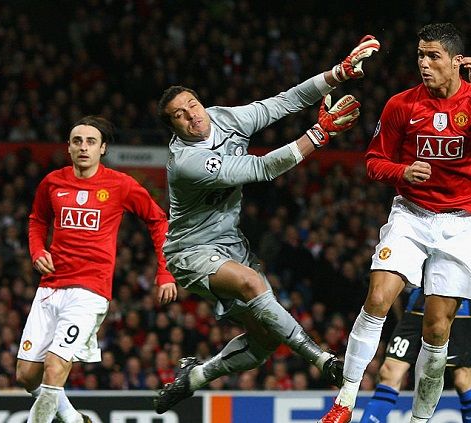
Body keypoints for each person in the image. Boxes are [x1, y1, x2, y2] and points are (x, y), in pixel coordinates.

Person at [153, 35, 381, 414]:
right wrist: (318, 134)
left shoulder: (223, 117)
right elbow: (260, 168)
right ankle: (323, 360)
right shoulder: (187, 162)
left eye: (192, 104)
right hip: (191, 250)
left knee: (262, 344)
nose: (192, 114)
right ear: (173, 127)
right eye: (180, 114)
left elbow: (285, 102)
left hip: (231, 243)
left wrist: (337, 73)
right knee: (252, 283)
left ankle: (195, 376)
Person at [319, 23, 471, 423]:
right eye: (420, 56)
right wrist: (401, 172)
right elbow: (374, 163)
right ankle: (343, 402)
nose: (424, 64)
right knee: (378, 298)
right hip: (411, 217)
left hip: (461, 225)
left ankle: (420, 420)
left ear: (456, 62)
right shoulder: (401, 105)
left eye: (433, 56)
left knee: (436, 331)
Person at [16, 115, 177, 423]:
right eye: (77, 141)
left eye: (91, 142)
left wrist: (165, 271)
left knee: (54, 366)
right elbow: (37, 220)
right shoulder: (52, 181)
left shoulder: (120, 185)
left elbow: (158, 220)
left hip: (90, 291)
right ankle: (75, 420)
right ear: (68, 147)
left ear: (103, 148)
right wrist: (37, 250)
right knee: (26, 376)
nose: (83, 147)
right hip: (51, 286)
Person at [361, 207, 471, 423]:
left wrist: (461, 277)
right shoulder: (420, 198)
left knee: (462, 377)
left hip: (455, 307)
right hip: (417, 304)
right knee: (390, 371)